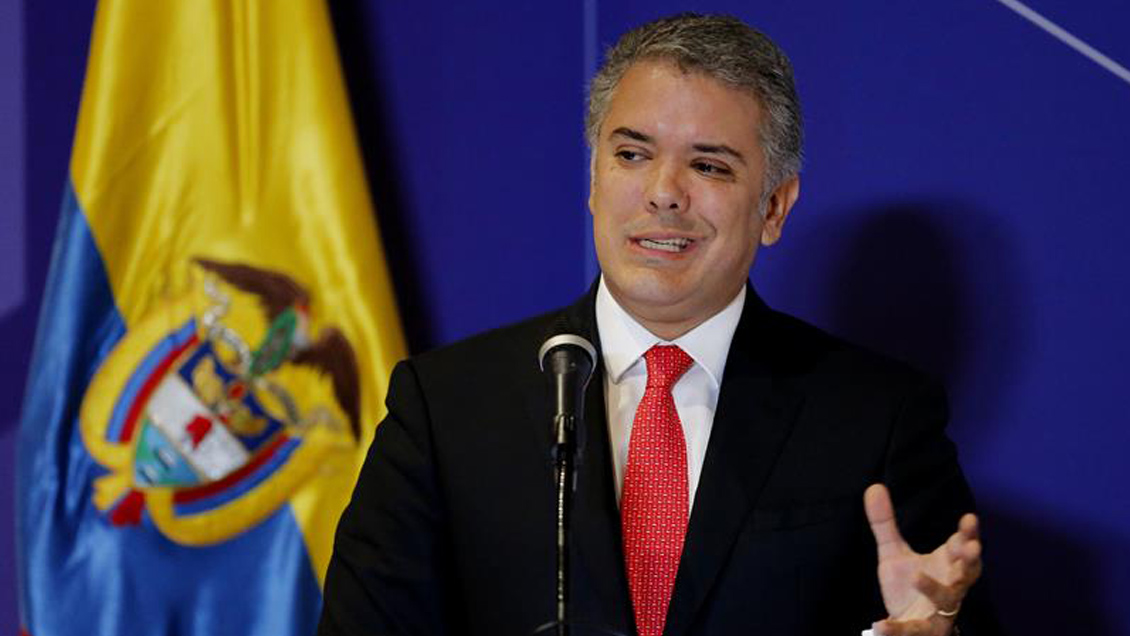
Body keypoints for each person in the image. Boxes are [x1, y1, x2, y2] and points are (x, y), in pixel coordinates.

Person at [319, 13, 994, 636]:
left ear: (774, 208)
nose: (664, 192)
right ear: (593, 179)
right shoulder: (446, 407)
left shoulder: (876, 418)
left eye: (708, 165)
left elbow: (940, 614)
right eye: (632, 155)